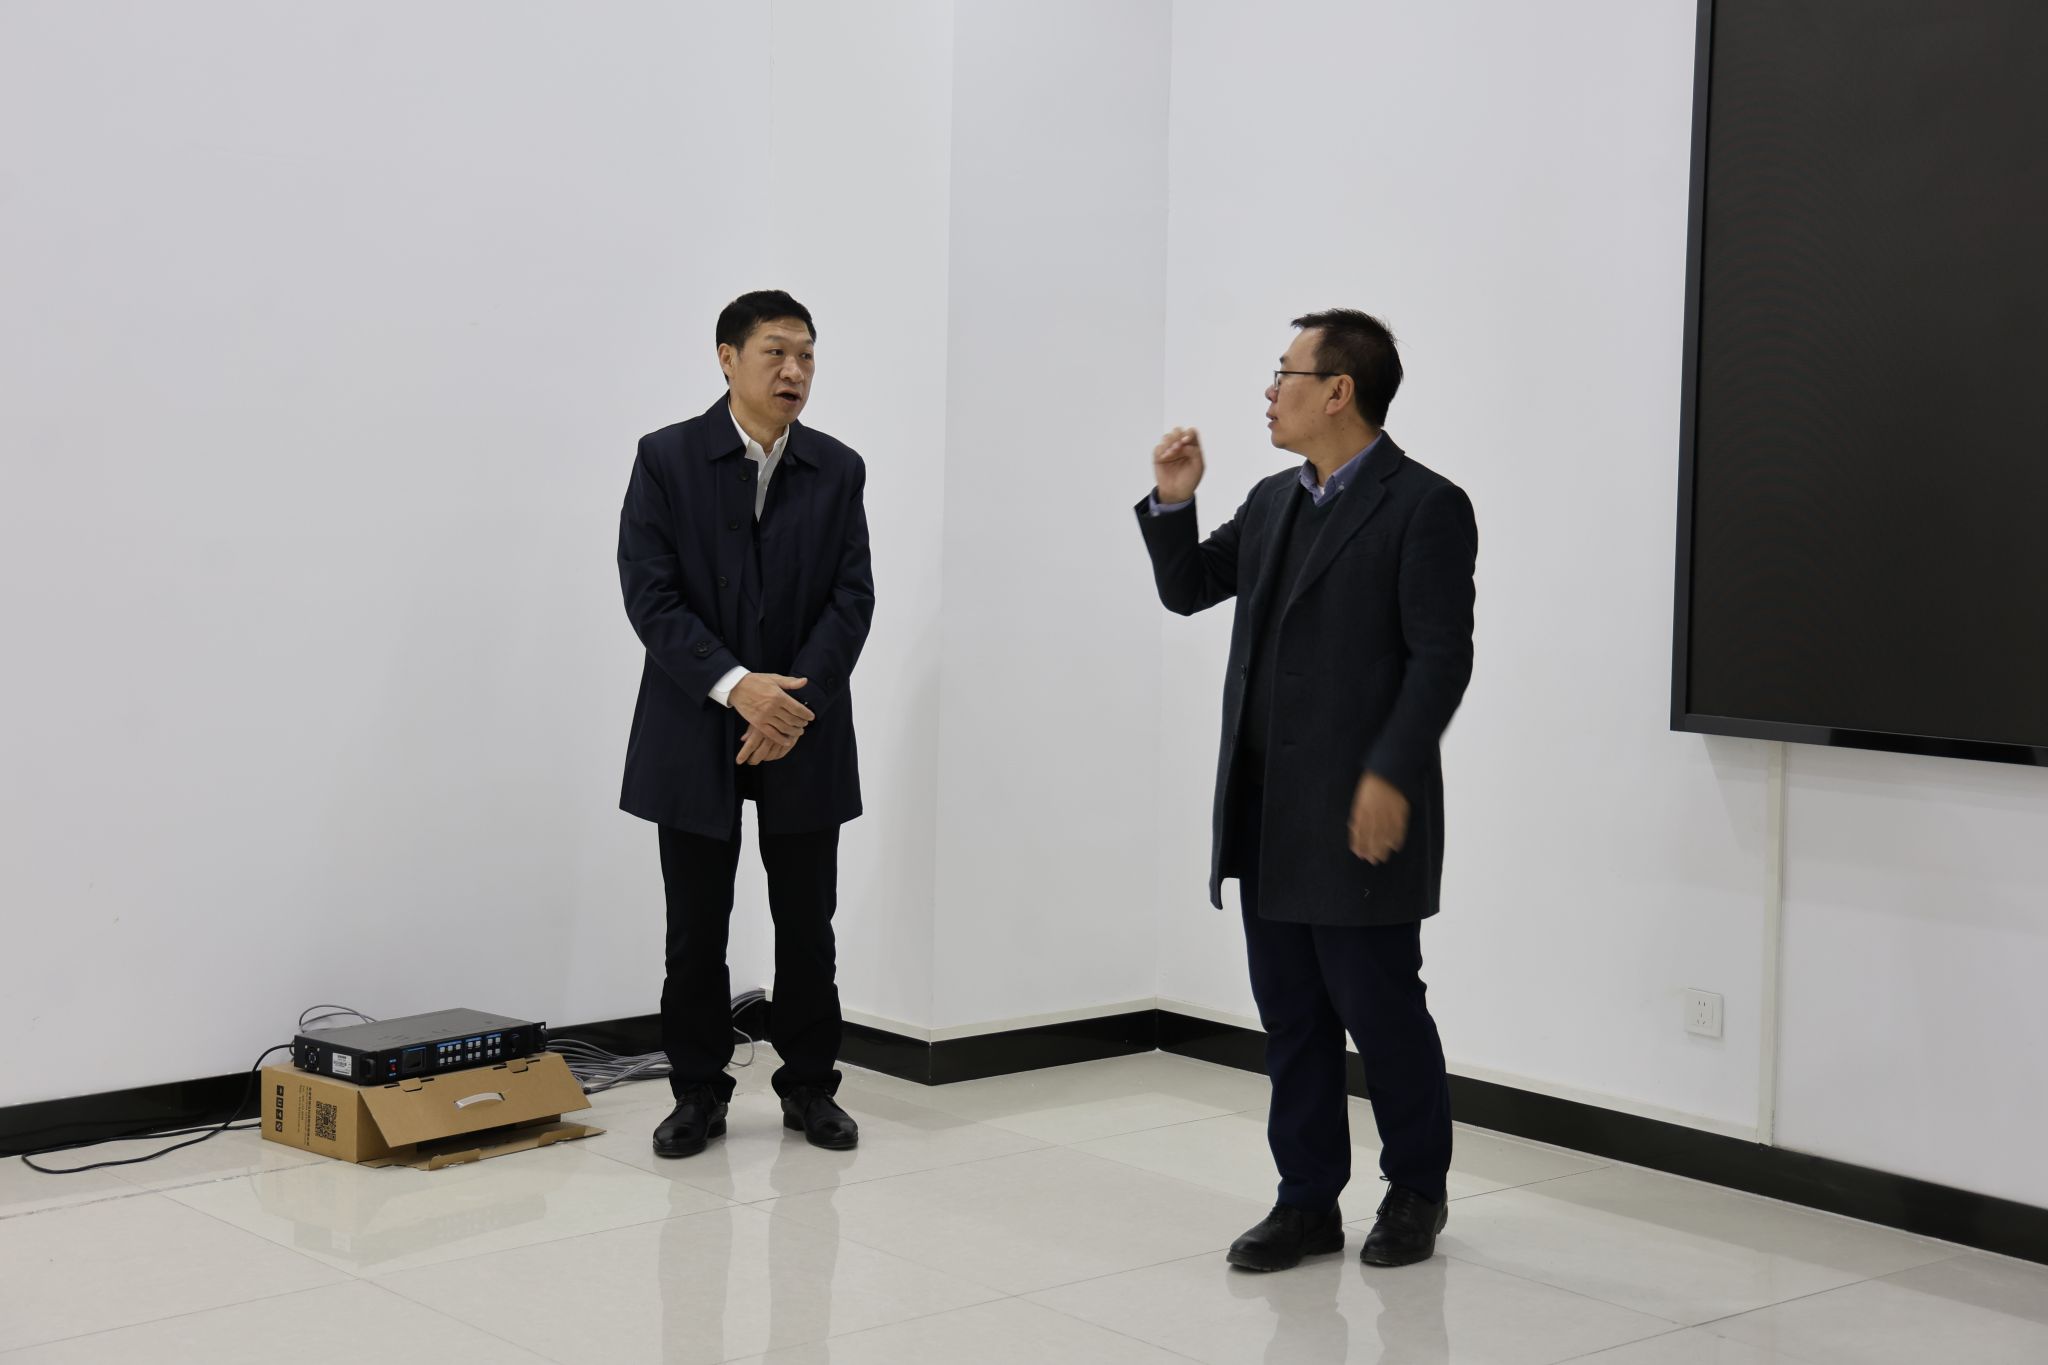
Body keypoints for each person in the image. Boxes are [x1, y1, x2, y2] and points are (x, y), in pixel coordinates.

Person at [1136, 309, 1477, 1270]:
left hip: (1362, 812)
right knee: (1292, 1016)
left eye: (1284, 373)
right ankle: (1306, 1200)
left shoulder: (1426, 505)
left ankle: (1416, 1190)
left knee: (1381, 1009)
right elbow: (1190, 587)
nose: (1269, 390)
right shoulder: (1271, 500)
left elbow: (1440, 660)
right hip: (1268, 810)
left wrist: (1390, 774)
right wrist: (1174, 504)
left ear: (1338, 390)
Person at [617, 289, 874, 1158]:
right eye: (775, 352)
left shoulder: (839, 468)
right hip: (696, 722)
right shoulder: (666, 458)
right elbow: (649, 593)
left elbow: (852, 599)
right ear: (726, 358)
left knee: (807, 923)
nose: (794, 370)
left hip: (802, 724)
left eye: (806, 354)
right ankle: (697, 1090)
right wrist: (736, 687)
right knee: (696, 925)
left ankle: (810, 1085)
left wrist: (788, 706)